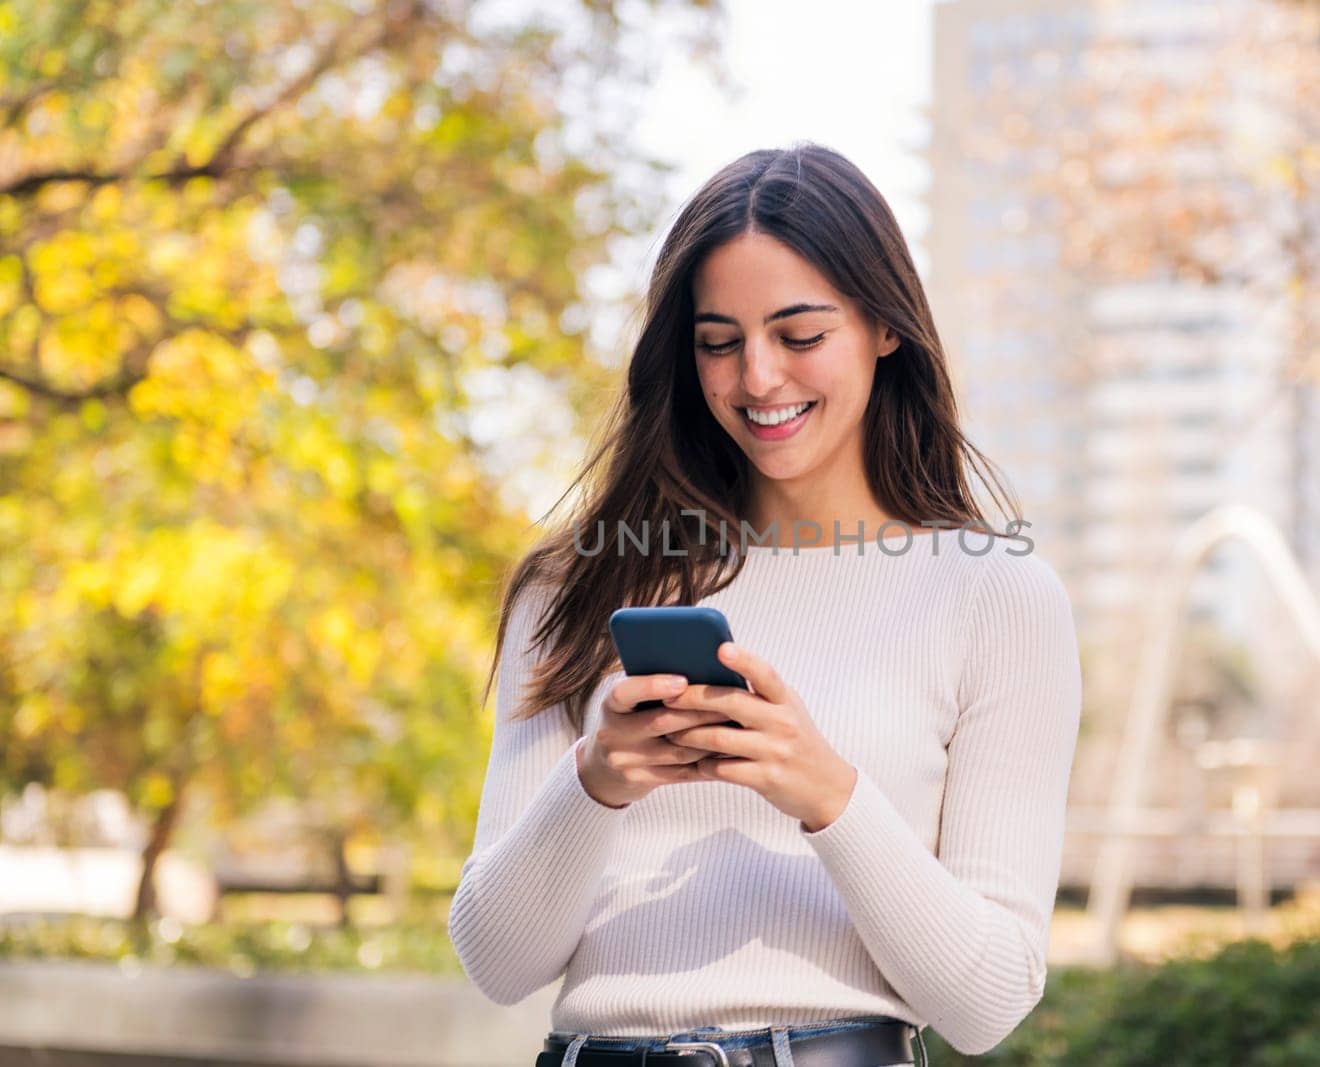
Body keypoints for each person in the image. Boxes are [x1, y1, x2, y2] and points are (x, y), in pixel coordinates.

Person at [448, 142, 1082, 1067]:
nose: (756, 379)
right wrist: (596, 780)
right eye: (718, 342)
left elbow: (988, 1000)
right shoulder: (577, 586)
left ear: (885, 326)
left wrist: (822, 790)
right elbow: (498, 962)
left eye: (800, 334)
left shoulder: (995, 595)